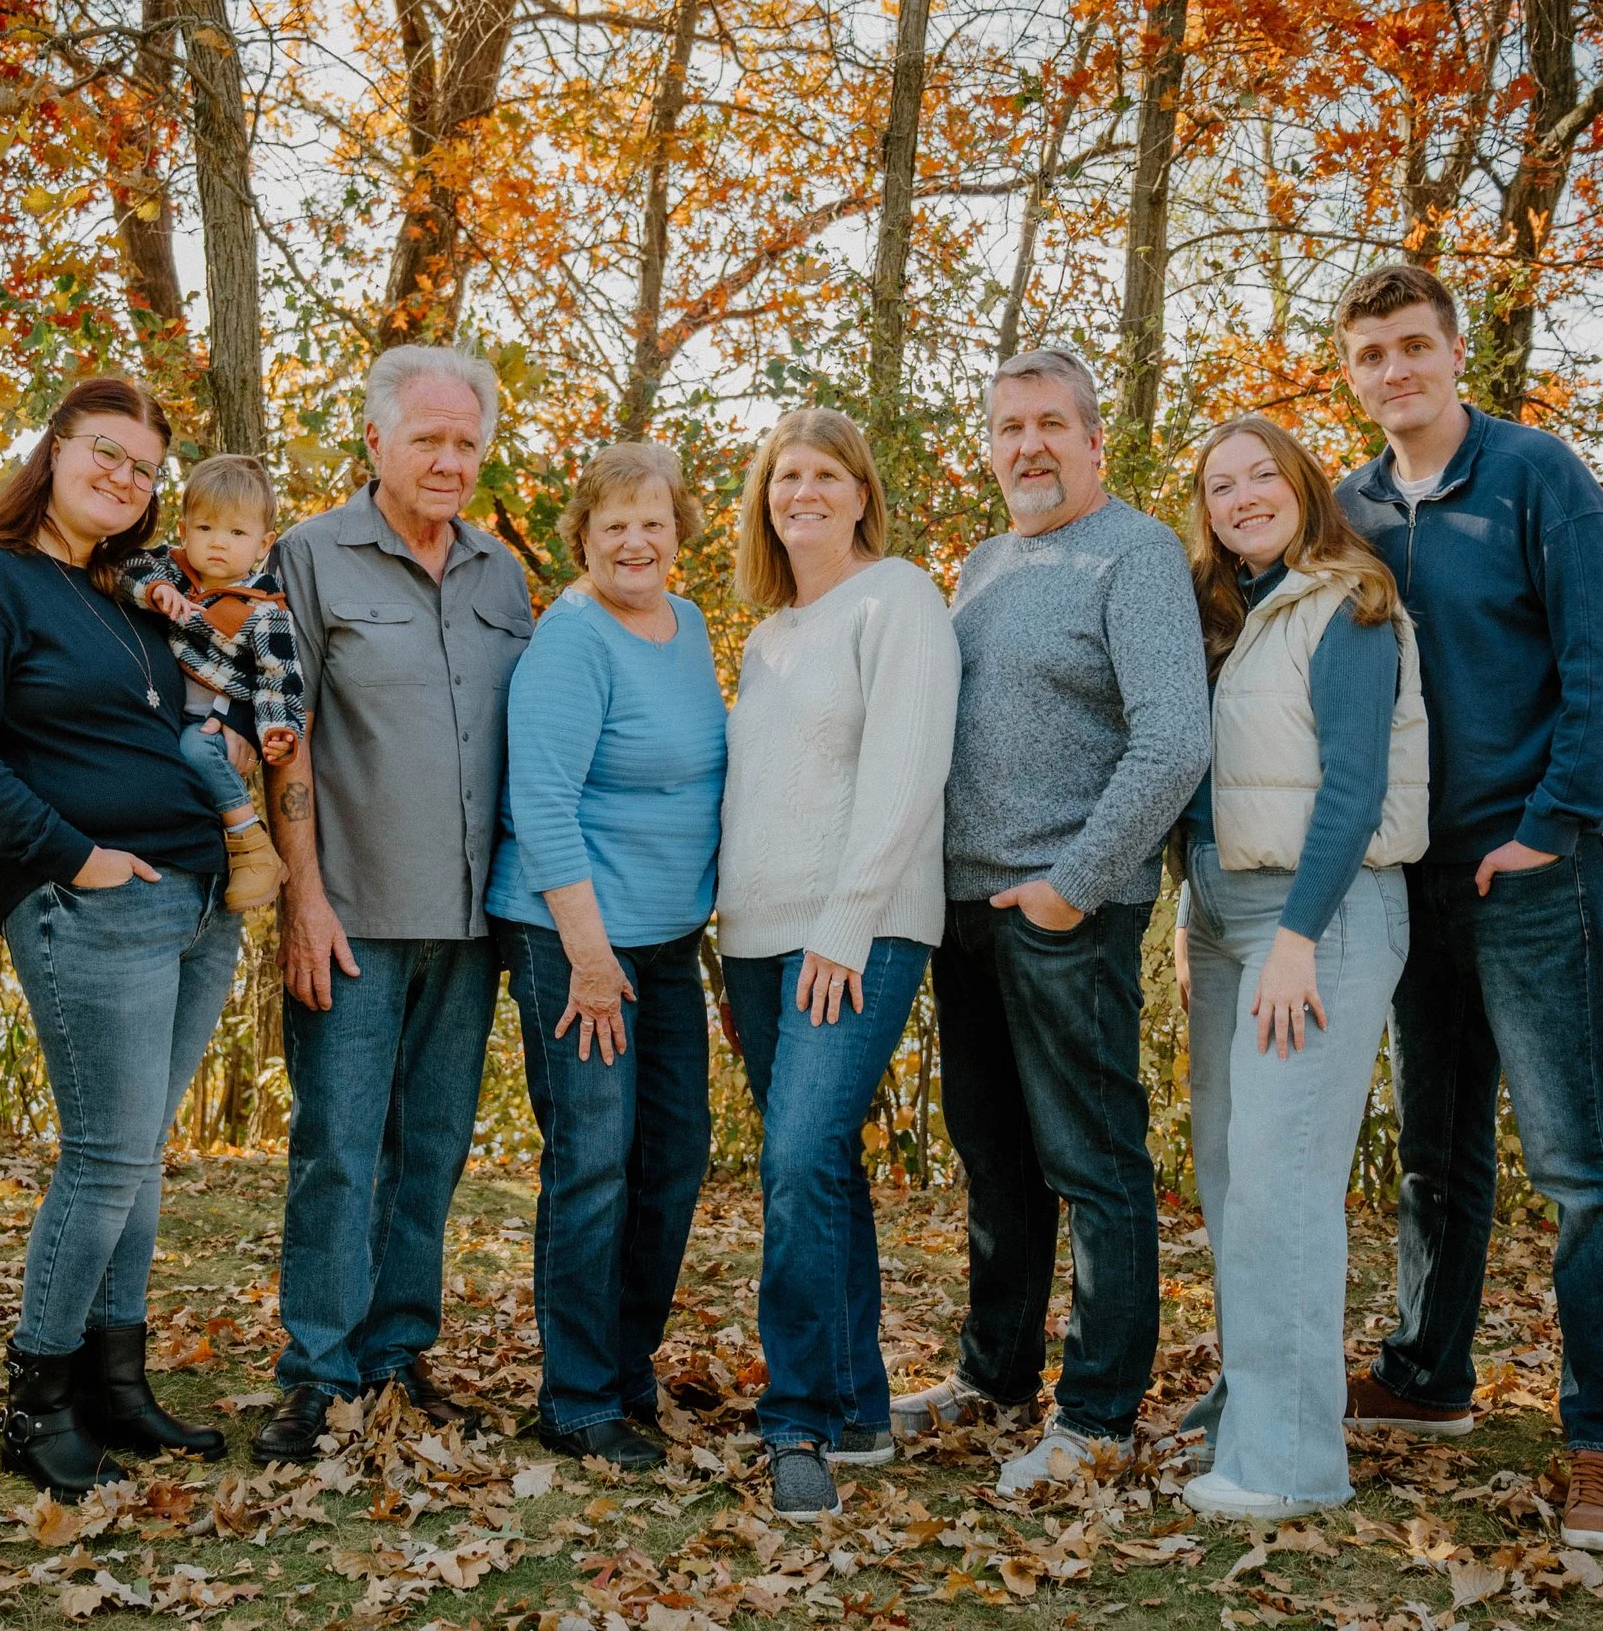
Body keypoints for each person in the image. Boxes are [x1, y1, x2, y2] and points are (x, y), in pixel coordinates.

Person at [1329, 262, 1603, 1553]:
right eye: (1372, 355)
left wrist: (1551, 829)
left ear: (1454, 353)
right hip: (1414, 876)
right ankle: (1426, 1376)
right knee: (1436, 1148)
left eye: (1414, 347)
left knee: (1582, 1161)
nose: (1395, 371)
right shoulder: (1352, 507)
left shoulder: (1536, 478)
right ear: (1351, 373)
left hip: (1535, 871)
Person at [0, 377, 239, 1497]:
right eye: (107, 452)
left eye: (145, 469)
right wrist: (76, 857)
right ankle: (37, 1401)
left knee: (139, 1153)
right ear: (53, 449)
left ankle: (116, 1383)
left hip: (197, 904)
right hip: (93, 903)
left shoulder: (124, 591)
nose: (124, 478)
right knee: (105, 1156)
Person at [895, 347, 1210, 1495]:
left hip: (1065, 913)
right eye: (1007, 426)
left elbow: (1174, 737)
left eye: (1048, 425)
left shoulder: (1133, 555)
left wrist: (1072, 886)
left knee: (1093, 1164)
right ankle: (992, 1378)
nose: (1026, 444)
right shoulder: (982, 563)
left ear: (1091, 441)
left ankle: (1097, 1416)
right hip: (964, 914)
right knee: (996, 1161)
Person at [256, 346, 534, 1461]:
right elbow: (284, 737)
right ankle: (316, 1374)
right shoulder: (309, 558)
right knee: (337, 1146)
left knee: (433, 1145)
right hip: (354, 914)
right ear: (375, 441)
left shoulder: (500, 575)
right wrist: (302, 902)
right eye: (427, 439)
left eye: (466, 442)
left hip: (472, 925)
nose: (449, 460)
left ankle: (395, 1357)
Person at [1170, 415, 1428, 1520]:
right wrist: (1194, 914)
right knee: (1231, 1177)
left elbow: (1353, 788)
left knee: (1282, 1186)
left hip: (1321, 917)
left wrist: (1293, 941)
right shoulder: (1232, 615)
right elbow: (1204, 787)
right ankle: (1254, 1412)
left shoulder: (1349, 603)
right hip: (1228, 917)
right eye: (1220, 487)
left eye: (1258, 477)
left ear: (1300, 485)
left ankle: (1291, 1467)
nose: (1241, 498)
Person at [716, 408, 959, 1522]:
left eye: (823, 474)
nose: (800, 492)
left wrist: (847, 921)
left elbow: (909, 770)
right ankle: (860, 1408)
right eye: (783, 477)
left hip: (850, 936)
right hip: (754, 944)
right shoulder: (769, 634)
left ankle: (797, 1419)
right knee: (826, 1171)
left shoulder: (897, 598)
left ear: (860, 492)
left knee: (797, 1161)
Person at [486, 442, 727, 1470]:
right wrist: (589, 958)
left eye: (654, 523)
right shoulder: (571, 641)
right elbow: (538, 803)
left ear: (678, 536)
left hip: (668, 944)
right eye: (614, 524)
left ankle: (627, 1365)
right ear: (581, 537)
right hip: (574, 941)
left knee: (673, 1157)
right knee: (592, 1162)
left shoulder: (688, 628)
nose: (636, 541)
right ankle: (576, 1396)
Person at [113, 453, 306, 911]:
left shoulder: (265, 611)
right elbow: (126, 569)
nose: (218, 543)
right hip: (167, 705)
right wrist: (156, 592)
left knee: (195, 749)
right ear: (184, 531)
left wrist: (280, 733)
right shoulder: (173, 572)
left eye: (237, 533)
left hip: (216, 714)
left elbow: (280, 680)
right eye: (205, 529)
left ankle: (251, 842)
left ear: (264, 543)